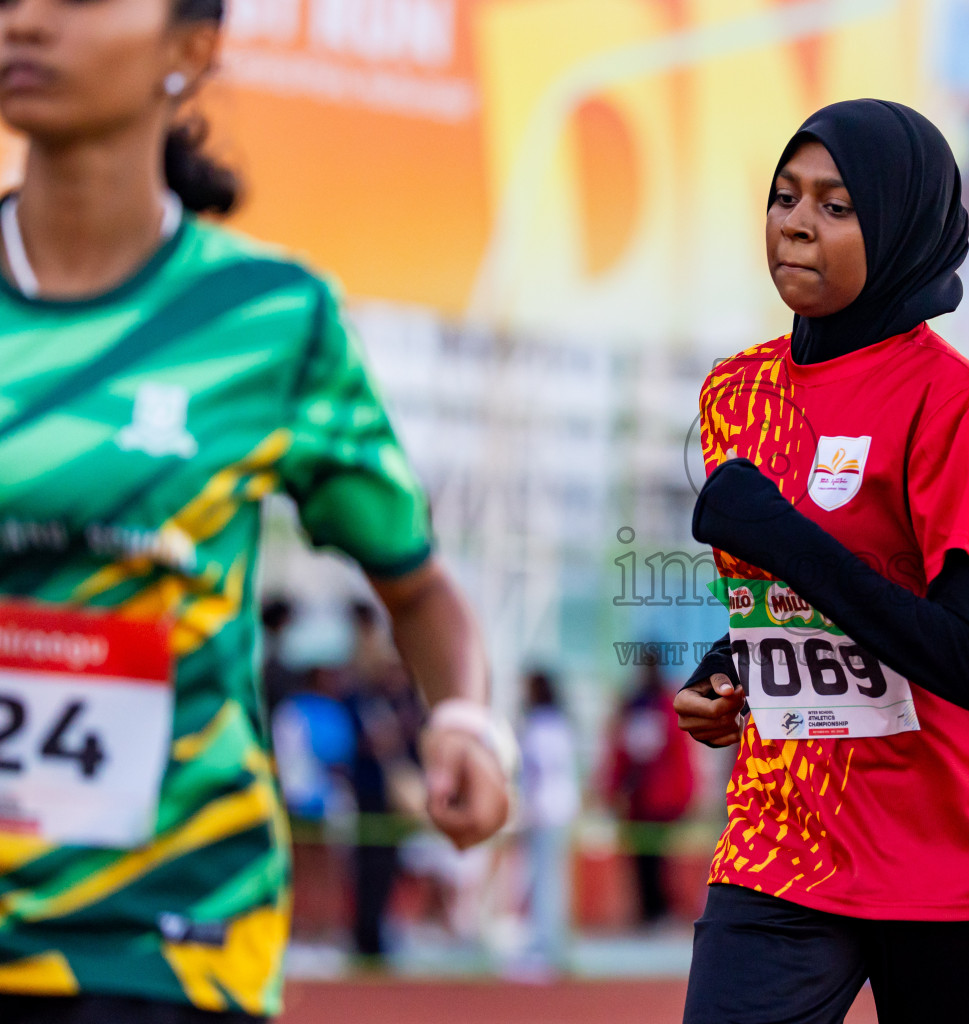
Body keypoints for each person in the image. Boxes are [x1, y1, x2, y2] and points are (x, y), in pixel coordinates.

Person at [0, 0, 516, 1016]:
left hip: (171, 937)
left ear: (189, 49)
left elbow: (417, 589)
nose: (28, 21)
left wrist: (462, 717)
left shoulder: (274, 324)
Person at [675, 99, 969, 1024]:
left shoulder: (953, 405)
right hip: (789, 839)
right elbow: (786, 608)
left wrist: (784, 536)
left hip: (958, 858)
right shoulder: (735, 393)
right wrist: (728, 670)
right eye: (785, 197)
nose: (797, 223)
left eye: (837, 206)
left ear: (899, 227)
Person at [340, 601, 426, 961]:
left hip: (393, 793)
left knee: (388, 866)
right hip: (370, 790)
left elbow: (419, 737)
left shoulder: (405, 701)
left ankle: (377, 931)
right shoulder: (362, 697)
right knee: (368, 865)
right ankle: (366, 933)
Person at [607, 655, 695, 926]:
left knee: (661, 861)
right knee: (641, 861)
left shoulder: (667, 705)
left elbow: (677, 755)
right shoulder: (633, 706)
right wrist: (614, 790)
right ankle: (647, 913)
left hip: (663, 801)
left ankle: (660, 912)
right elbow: (621, 754)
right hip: (638, 802)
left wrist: (685, 795)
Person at [515, 669, 579, 973]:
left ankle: (546, 945)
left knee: (545, 881)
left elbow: (538, 772)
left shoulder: (538, 727)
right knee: (554, 880)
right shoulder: (561, 725)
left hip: (545, 811)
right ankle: (553, 943)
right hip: (561, 809)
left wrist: (529, 808)